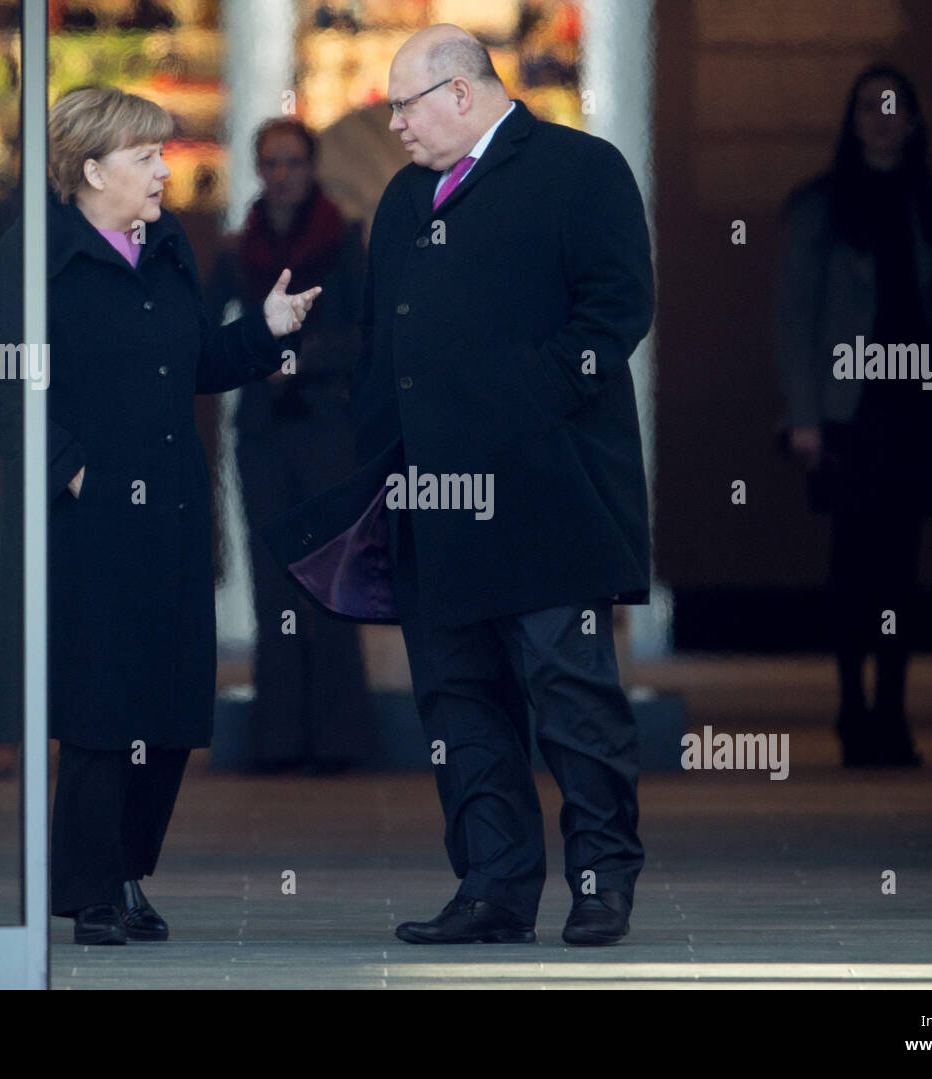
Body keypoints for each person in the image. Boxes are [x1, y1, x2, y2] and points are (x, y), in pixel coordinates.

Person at [264, 24, 654, 946]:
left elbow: (616, 311)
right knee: (460, 702)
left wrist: (516, 409)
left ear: (464, 95)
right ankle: (493, 888)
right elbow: (377, 340)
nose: (391, 121)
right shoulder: (403, 198)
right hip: (432, 503)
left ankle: (601, 881)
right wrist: (383, 446)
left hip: (550, 494)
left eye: (404, 103)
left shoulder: (579, 169)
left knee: (571, 696)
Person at [0, 86, 319, 945]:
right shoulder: (36, 254)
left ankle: (127, 871)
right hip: (86, 520)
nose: (167, 169)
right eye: (146, 157)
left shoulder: (164, 246)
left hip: (168, 506)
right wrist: (72, 471)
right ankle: (91, 890)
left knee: (166, 707)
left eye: (163, 153)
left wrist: (267, 331)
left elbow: (197, 358)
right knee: (99, 706)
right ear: (91, 170)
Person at [776, 63, 932, 768]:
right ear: (852, 121)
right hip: (851, 408)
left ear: (913, 119)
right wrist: (804, 415)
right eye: (868, 107)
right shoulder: (821, 205)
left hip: (912, 405)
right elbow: (793, 318)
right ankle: (853, 704)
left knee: (903, 566)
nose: (881, 119)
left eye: (893, 107)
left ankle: (894, 707)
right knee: (854, 562)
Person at [206, 118, 372, 773]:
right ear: (257, 167)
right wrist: (254, 359)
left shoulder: (344, 241)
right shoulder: (235, 248)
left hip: (328, 425)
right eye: (271, 162)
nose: (281, 174)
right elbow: (202, 329)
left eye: (292, 162)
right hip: (266, 433)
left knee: (330, 577)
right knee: (274, 582)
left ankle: (338, 740)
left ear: (311, 166)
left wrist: (298, 360)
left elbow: (367, 333)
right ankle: (277, 740)